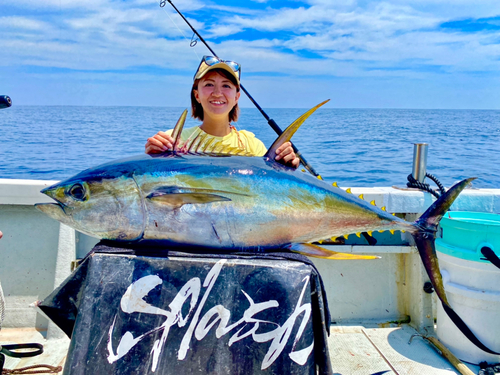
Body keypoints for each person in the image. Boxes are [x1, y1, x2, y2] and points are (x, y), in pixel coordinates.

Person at [145, 56, 300, 168]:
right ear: (197, 95)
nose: (217, 93)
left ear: (236, 97)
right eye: (209, 84)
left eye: (226, 86)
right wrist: (151, 158)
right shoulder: (173, 141)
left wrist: (286, 167)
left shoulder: (252, 146)